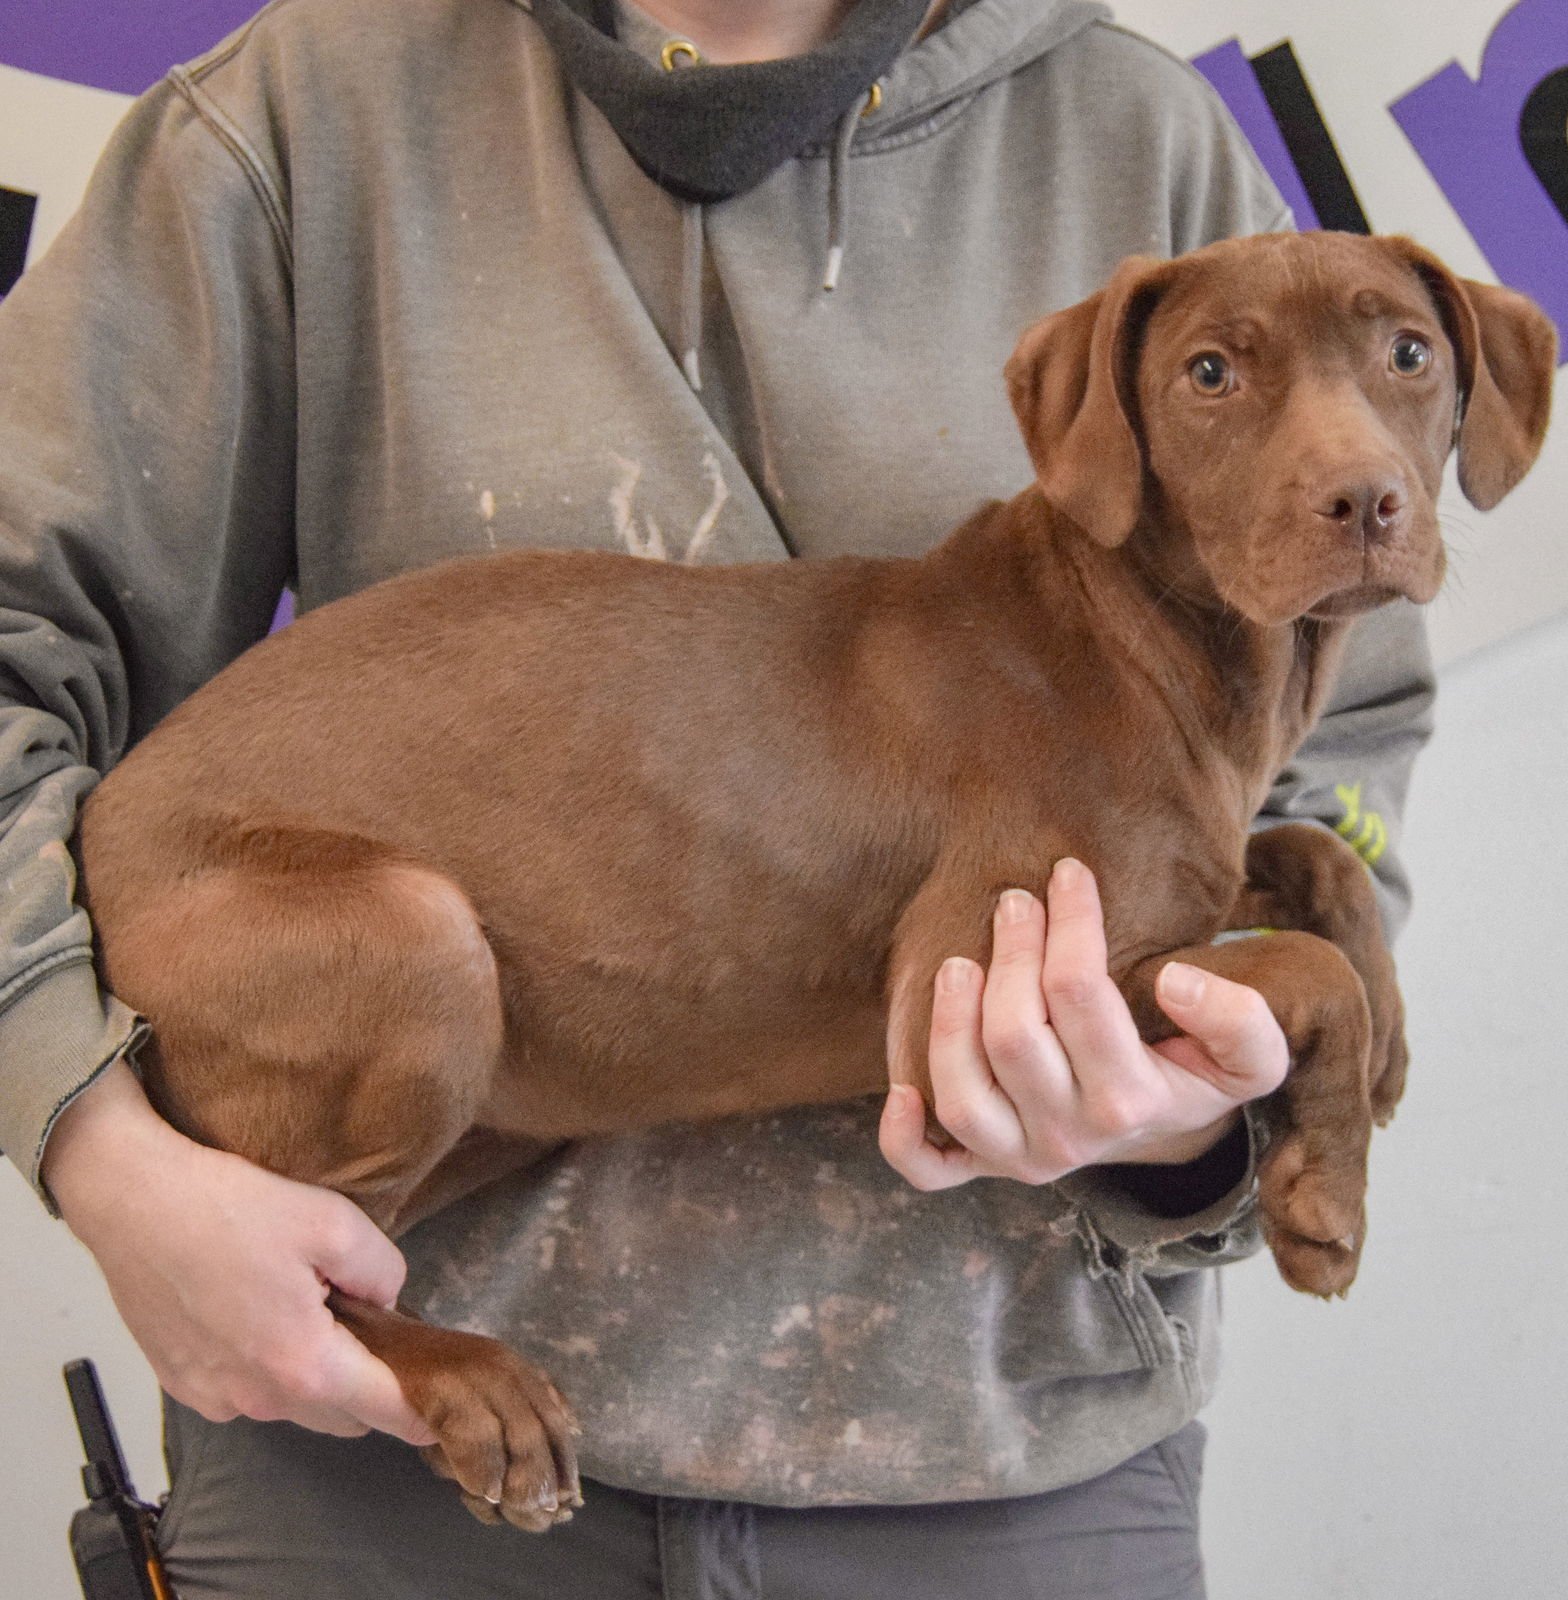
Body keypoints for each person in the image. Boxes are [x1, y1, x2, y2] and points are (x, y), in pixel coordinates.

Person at [0, 1, 1433, 1594]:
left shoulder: (1131, 137)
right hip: (375, 1463)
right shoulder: (300, 115)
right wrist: (91, 1142)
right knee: (394, 954)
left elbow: (1325, 743)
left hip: (1006, 1454)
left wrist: (1213, 1114)